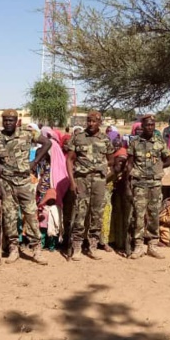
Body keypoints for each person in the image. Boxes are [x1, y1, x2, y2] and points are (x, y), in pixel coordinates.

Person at [0, 109, 51, 263]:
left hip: (24, 182)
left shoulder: (28, 134)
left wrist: (34, 161)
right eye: (5, 120)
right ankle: (13, 249)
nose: (8, 123)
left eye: (11, 120)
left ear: (16, 121)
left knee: (30, 215)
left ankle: (36, 249)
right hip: (6, 182)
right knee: (9, 217)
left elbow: (47, 143)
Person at [66, 110, 115, 260]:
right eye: (89, 121)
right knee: (80, 213)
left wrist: (105, 177)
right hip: (82, 180)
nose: (91, 124)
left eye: (94, 121)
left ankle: (93, 246)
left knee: (97, 214)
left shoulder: (105, 139)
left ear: (100, 123)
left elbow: (112, 161)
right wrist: (72, 181)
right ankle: (77, 247)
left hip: (99, 181)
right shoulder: (78, 137)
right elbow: (69, 160)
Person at [125, 114, 170, 259]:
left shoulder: (160, 141)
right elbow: (129, 163)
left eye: (152, 124)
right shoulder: (135, 143)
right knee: (138, 214)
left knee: (154, 214)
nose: (150, 127)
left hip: (155, 183)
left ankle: (152, 245)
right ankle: (138, 245)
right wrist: (128, 182)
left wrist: (158, 167)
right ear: (142, 126)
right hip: (139, 183)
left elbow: (168, 159)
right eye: (147, 125)